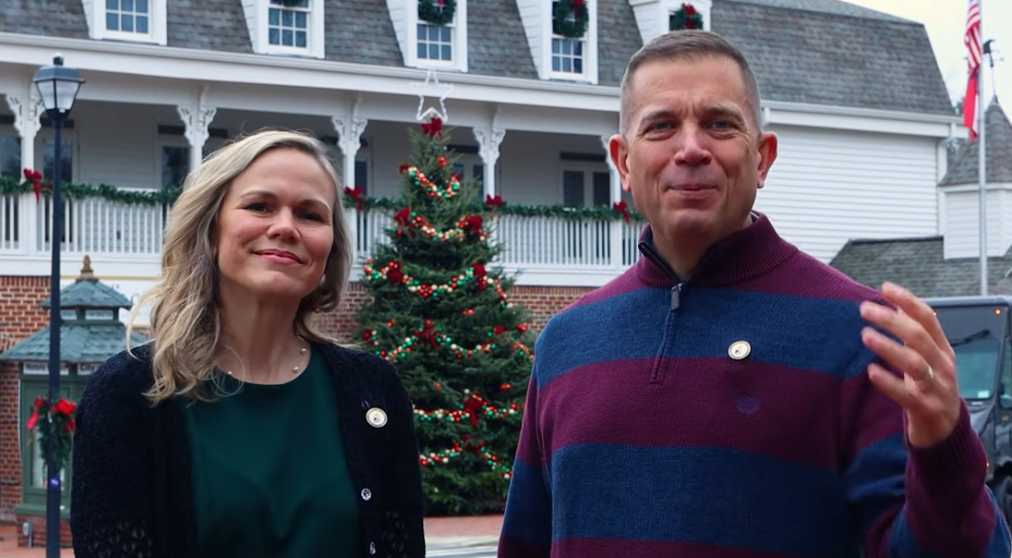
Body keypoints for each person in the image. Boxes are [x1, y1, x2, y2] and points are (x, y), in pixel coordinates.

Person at [498, 29, 1012, 558]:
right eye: (662, 125)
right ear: (623, 162)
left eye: (719, 123)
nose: (692, 147)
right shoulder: (566, 344)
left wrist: (945, 448)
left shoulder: (865, 337)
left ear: (762, 157)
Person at [70, 129, 425, 558]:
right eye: (260, 206)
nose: (285, 227)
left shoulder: (374, 389)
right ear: (211, 229)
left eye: (310, 214)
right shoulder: (128, 394)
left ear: (329, 248)